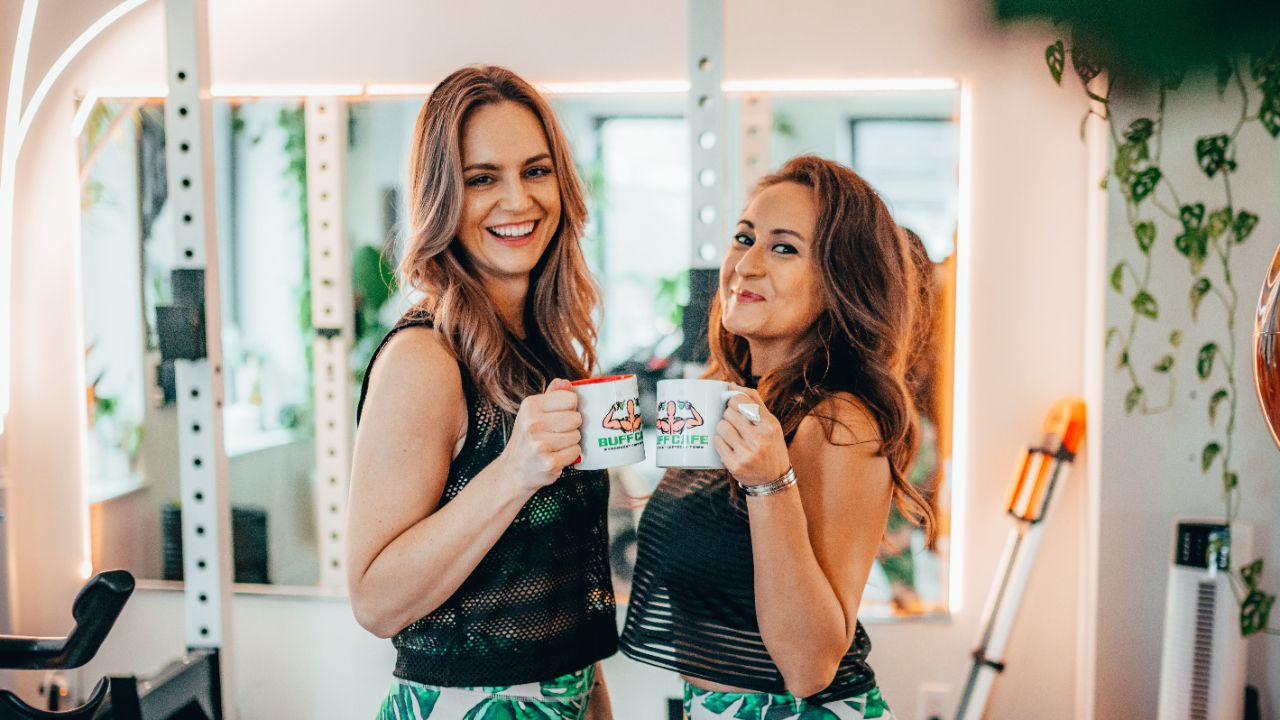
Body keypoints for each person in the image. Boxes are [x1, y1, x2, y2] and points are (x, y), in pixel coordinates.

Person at [620, 155, 937, 719]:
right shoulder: (741, 399)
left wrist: (770, 484)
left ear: (839, 282)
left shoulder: (840, 423)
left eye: (784, 248)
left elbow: (810, 665)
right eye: (744, 238)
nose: (747, 264)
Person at [346, 65, 615, 720]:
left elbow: (559, 610)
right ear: (443, 199)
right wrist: (513, 473)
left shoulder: (547, 350)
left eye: (536, 170)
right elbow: (374, 601)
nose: (518, 200)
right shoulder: (425, 360)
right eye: (481, 179)